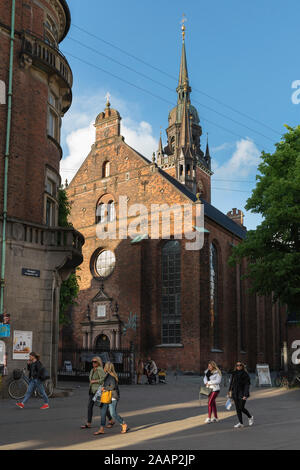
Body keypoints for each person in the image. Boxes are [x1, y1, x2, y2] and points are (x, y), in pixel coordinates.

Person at [94, 362, 129, 435]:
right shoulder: (107, 375)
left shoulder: (111, 376)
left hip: (112, 396)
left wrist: (104, 388)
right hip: (106, 396)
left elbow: (113, 387)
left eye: (104, 367)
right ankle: (101, 429)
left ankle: (123, 424)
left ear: (107, 368)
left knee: (112, 413)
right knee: (103, 412)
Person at [80, 356, 114, 429]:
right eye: (92, 361)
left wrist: (95, 381)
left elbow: (103, 379)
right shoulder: (92, 370)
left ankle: (111, 419)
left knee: (101, 406)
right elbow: (90, 379)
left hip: (98, 391)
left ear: (98, 362)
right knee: (90, 406)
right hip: (92, 390)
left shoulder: (100, 369)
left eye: (95, 362)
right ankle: (88, 423)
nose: (93, 363)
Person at [228, 361, 254, 428]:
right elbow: (231, 383)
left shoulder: (245, 374)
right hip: (235, 393)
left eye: (240, 365)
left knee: (241, 407)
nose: (238, 366)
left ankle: (250, 417)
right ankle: (241, 423)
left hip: (242, 393)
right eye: (237, 365)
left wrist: (245, 394)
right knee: (237, 408)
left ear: (242, 366)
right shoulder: (234, 373)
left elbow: (247, 385)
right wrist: (229, 391)